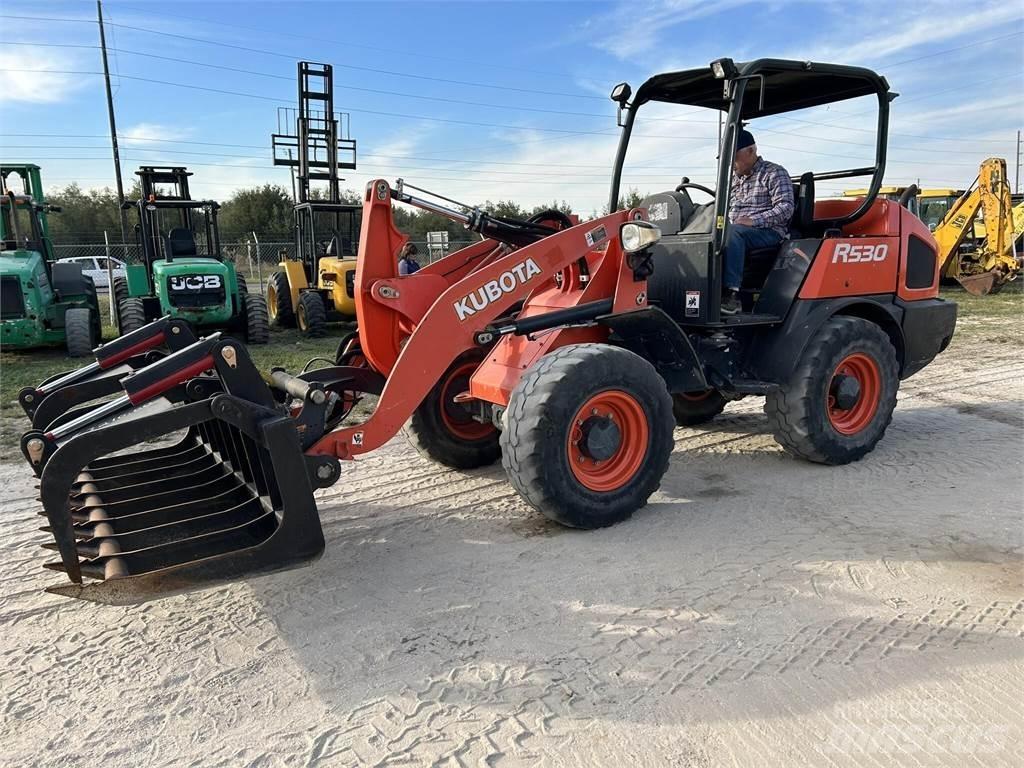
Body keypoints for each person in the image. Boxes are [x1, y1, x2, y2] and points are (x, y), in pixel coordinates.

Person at [721, 129, 794, 315]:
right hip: (738, 230)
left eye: (734, 157)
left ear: (751, 151)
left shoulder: (774, 173)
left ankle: (731, 294)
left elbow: (785, 208)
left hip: (768, 232)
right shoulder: (733, 180)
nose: (731, 163)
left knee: (732, 233)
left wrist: (754, 221)